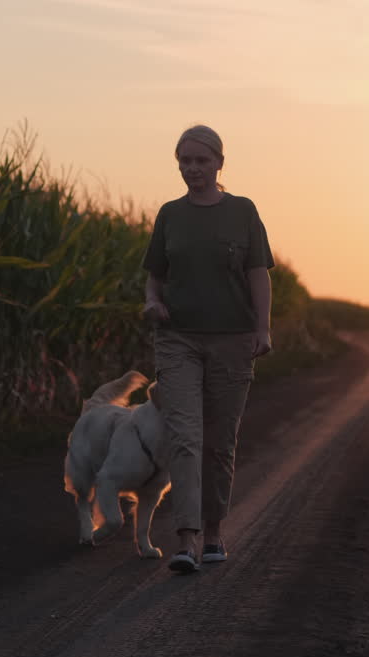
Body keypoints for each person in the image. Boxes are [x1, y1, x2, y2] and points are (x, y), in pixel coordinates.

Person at [142, 124, 275, 574]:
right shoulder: (170, 215)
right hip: (178, 339)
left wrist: (263, 328)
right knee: (185, 437)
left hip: (234, 340)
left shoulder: (243, 211)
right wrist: (153, 302)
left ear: (220, 163)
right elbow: (155, 275)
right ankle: (186, 540)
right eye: (185, 161)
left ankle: (215, 531)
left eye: (201, 160)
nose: (192, 168)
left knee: (219, 443)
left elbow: (259, 272)